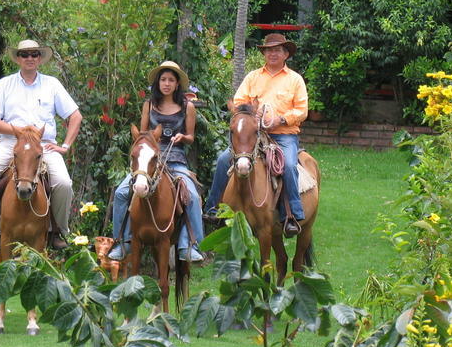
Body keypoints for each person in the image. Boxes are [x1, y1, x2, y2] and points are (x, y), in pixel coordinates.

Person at [0, 39, 81, 252]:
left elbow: (75, 116)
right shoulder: (5, 84)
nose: (30, 58)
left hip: (43, 146)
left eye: (34, 54)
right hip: (11, 144)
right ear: (18, 59)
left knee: (64, 183)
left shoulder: (52, 84)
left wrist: (66, 146)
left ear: (40, 58)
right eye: (25, 55)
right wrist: (18, 131)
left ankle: (56, 231)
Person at [204, 33, 308, 236]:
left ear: (286, 54)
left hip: (283, 135)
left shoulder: (295, 80)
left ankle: (292, 214)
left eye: (277, 50)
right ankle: (212, 208)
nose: (272, 53)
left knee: (287, 164)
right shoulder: (253, 77)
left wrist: (281, 119)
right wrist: (252, 114)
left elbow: (302, 110)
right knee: (225, 159)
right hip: (254, 134)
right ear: (264, 53)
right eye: (269, 50)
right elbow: (239, 101)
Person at [107, 60, 205, 262]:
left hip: (175, 158)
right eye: (163, 79)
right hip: (149, 159)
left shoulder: (188, 107)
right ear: (158, 83)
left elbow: (191, 137)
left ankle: (190, 245)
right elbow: (142, 135)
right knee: (121, 192)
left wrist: (182, 138)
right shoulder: (149, 105)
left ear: (177, 84)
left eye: (171, 80)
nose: (167, 83)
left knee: (192, 196)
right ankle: (122, 242)